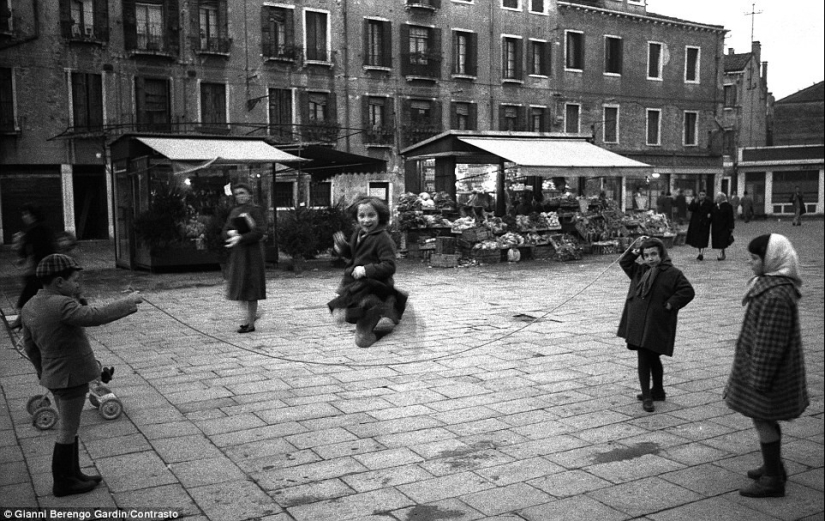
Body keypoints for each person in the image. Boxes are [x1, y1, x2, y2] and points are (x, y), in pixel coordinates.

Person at [21, 254, 143, 497]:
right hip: (71, 377)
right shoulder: (61, 304)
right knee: (67, 428)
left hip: (55, 376)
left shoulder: (30, 305)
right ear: (58, 282)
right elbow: (94, 316)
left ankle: (74, 474)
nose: (78, 285)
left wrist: (41, 371)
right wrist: (129, 301)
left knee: (72, 426)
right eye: (74, 280)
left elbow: (30, 346)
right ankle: (64, 483)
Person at [724, 234, 809, 498]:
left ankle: (773, 478)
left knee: (763, 418)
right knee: (764, 418)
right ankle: (774, 465)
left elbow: (770, 344)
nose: (750, 262)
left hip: (768, 372)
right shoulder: (769, 285)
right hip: (765, 368)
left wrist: (758, 379)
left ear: (771, 260)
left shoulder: (775, 295)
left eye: (754, 258)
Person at [617, 237, 695, 413]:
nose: (650, 258)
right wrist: (635, 250)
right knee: (646, 356)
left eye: (654, 254)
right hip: (638, 321)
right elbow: (625, 262)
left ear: (662, 254)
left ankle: (650, 395)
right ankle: (653, 392)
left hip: (655, 322)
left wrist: (671, 303)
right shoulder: (640, 270)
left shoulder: (672, 273)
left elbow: (687, 291)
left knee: (650, 356)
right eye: (646, 255)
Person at [328, 196, 408, 348]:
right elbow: (354, 255)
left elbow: (389, 266)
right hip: (356, 283)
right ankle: (381, 317)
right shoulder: (358, 233)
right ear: (356, 218)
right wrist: (342, 248)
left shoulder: (383, 239)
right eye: (362, 216)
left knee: (355, 306)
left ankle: (387, 312)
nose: (366, 220)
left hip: (374, 286)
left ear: (380, 216)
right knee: (361, 338)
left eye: (371, 215)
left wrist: (366, 270)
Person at [222, 183, 267, 333]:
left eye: (242, 193)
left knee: (251, 288)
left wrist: (242, 237)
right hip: (239, 254)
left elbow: (260, 231)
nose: (240, 196)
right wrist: (232, 233)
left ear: (249, 195)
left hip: (252, 254)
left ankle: (250, 324)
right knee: (238, 287)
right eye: (237, 194)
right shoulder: (235, 211)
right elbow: (226, 230)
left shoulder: (255, 210)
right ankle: (251, 316)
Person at [10, 204, 56, 328]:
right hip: (47, 267)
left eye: (26, 214)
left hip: (39, 269)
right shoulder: (44, 229)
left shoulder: (32, 231)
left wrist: (19, 247)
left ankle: (23, 318)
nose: (24, 217)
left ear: (32, 215)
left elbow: (24, 252)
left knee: (30, 292)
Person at [686, 190, 713, 260]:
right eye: (700, 194)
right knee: (698, 239)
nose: (702, 196)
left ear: (705, 195)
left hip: (704, 223)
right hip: (696, 223)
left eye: (703, 195)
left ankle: (701, 253)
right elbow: (690, 208)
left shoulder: (709, 203)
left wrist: (710, 216)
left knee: (703, 239)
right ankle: (700, 252)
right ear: (698, 195)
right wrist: (694, 203)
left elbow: (712, 211)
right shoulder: (695, 201)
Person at [711, 192, 735, 261]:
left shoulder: (728, 206)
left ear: (722, 198)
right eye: (717, 197)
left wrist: (731, 227)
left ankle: (720, 254)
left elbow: (730, 217)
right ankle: (722, 253)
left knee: (722, 240)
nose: (717, 199)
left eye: (718, 197)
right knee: (718, 240)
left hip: (724, 226)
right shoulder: (715, 206)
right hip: (716, 226)